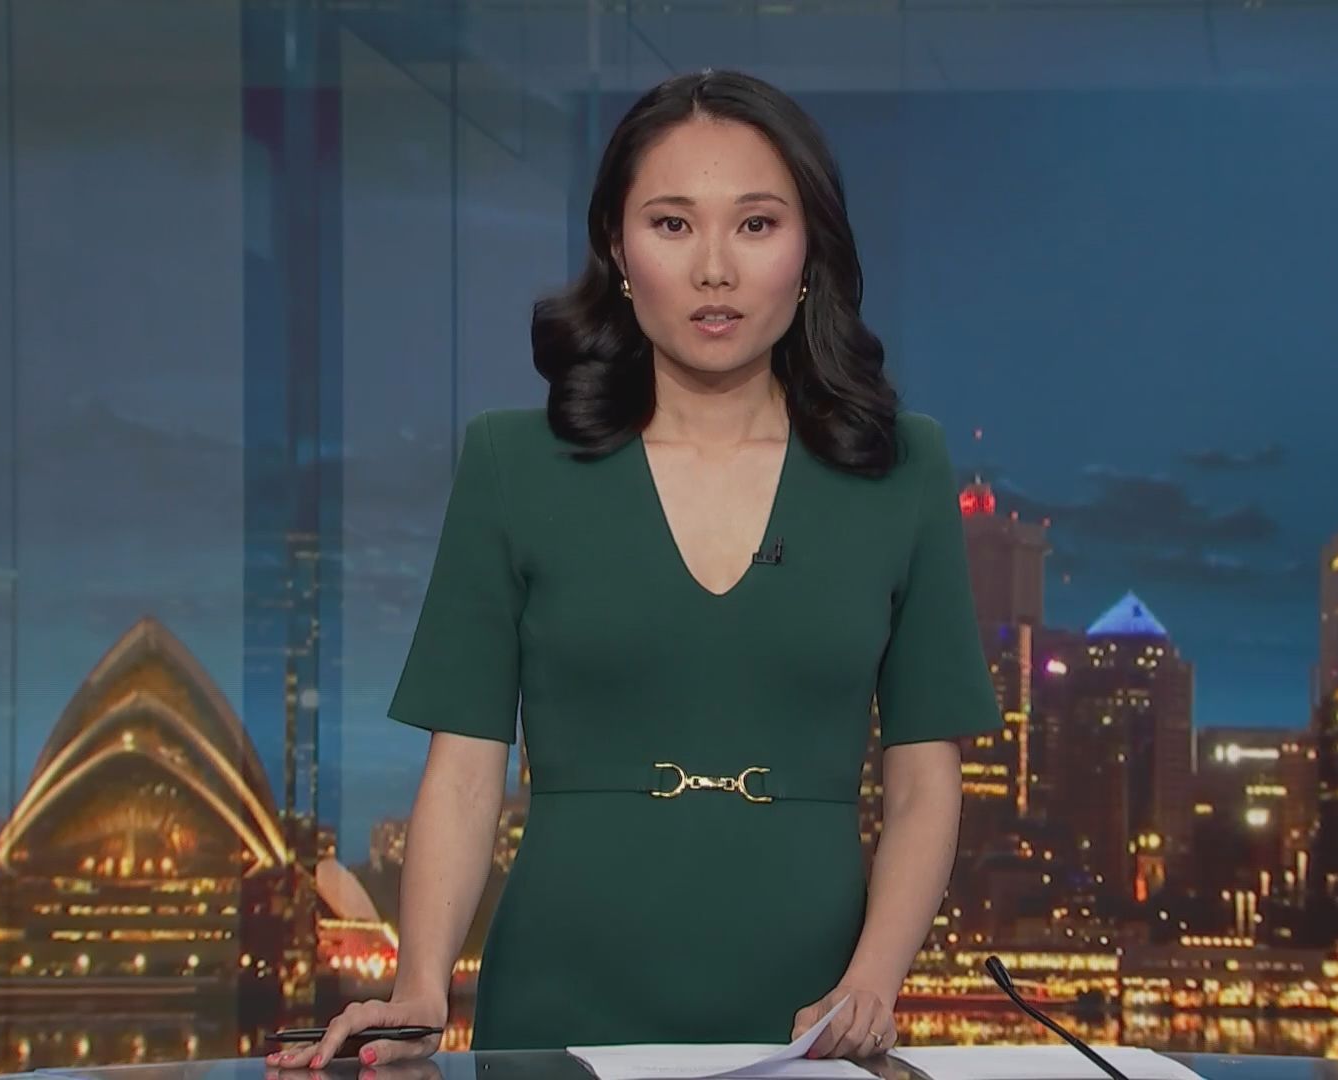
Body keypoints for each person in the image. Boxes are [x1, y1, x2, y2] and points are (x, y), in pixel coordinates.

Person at [270, 67, 998, 1070]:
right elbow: (467, 770)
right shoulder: (513, 464)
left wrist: (872, 983)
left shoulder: (900, 468)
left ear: (810, 250)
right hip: (560, 1002)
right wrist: (420, 988)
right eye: (671, 224)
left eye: (755, 225)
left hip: (813, 1017)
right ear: (617, 249)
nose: (714, 269)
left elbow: (923, 781)